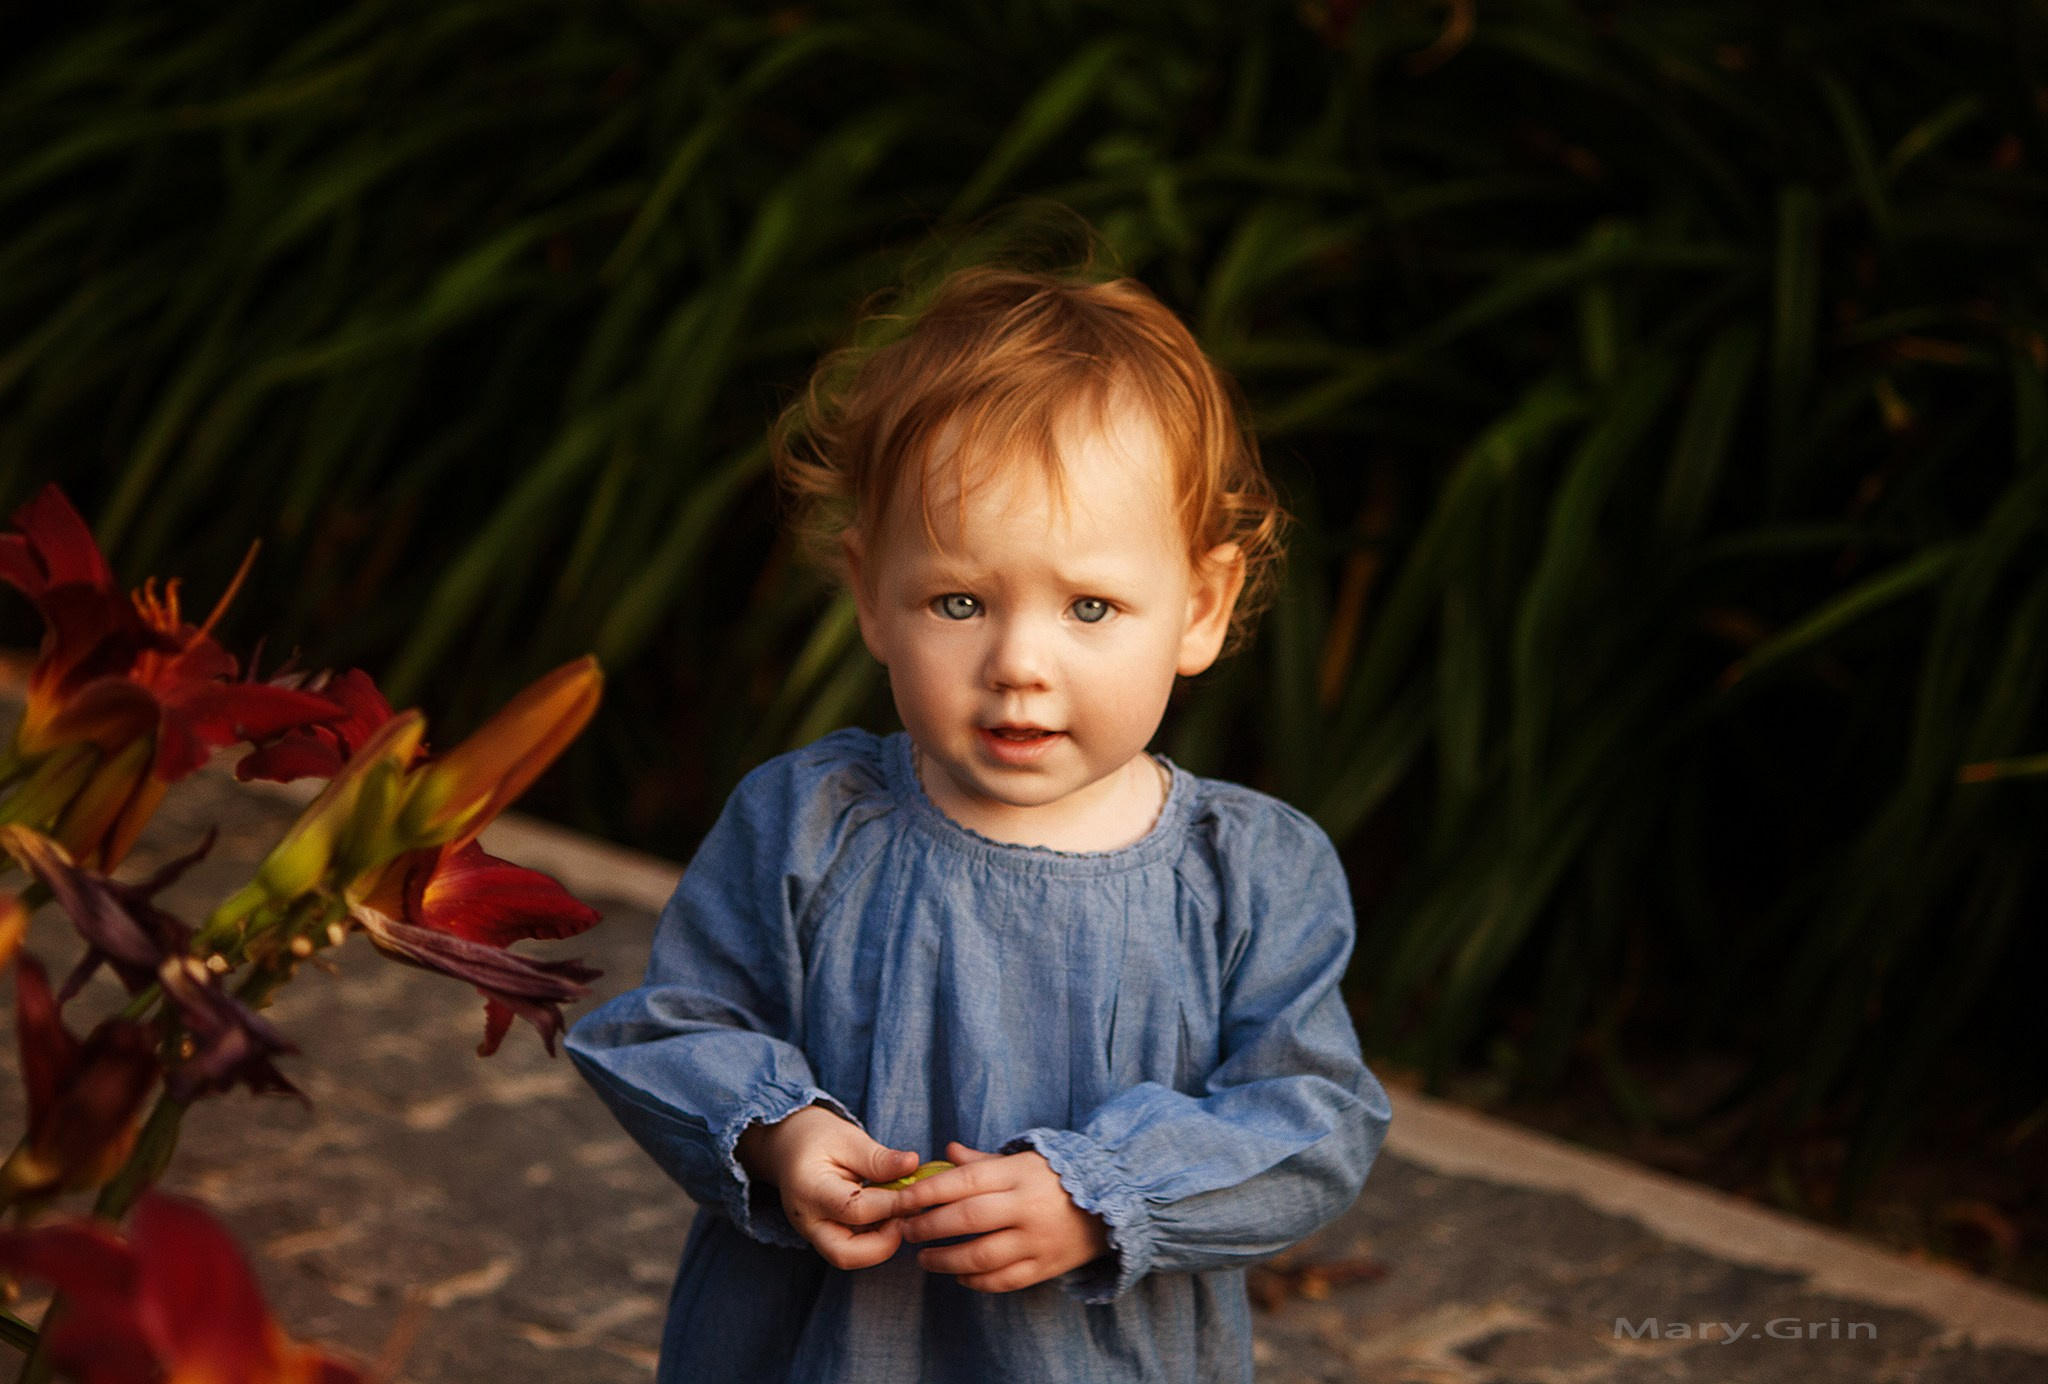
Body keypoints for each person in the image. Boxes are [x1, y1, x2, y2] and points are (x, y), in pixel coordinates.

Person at [566, 264, 1391, 1382]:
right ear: (870, 593)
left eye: (1088, 607)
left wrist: (1102, 1196)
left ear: (1198, 607)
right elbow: (668, 1026)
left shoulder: (1247, 871)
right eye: (959, 601)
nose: (1017, 665)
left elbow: (1310, 1117)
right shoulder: (809, 824)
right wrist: (780, 1132)